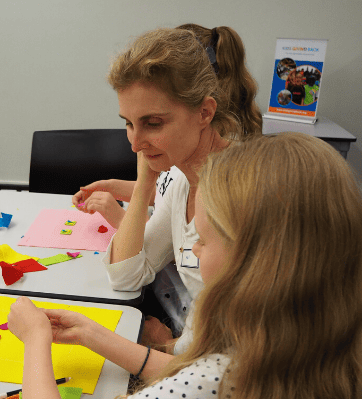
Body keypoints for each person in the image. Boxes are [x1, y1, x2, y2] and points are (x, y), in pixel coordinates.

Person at [8, 132, 362, 399]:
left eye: (205, 238)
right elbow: (187, 370)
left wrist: (35, 338)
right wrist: (94, 335)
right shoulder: (299, 339)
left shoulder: (217, 387)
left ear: (258, 263)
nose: (193, 249)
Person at [76, 26, 258, 352]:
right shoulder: (179, 179)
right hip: (198, 351)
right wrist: (146, 177)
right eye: (129, 123)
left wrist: (166, 347)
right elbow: (126, 274)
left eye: (153, 123)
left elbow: (240, 345)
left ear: (205, 112)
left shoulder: (240, 190)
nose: (134, 143)